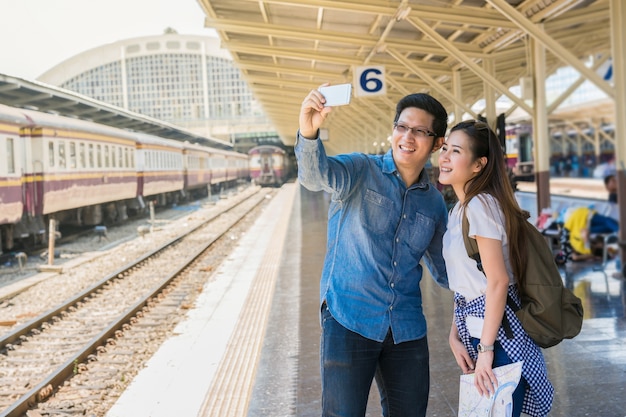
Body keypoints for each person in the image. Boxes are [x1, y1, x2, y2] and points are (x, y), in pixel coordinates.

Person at [296, 87, 449, 417]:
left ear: (437, 143)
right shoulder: (360, 170)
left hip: (405, 327)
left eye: (420, 131)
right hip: (349, 316)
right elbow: (313, 177)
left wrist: (497, 276)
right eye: (402, 127)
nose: (407, 137)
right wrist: (309, 132)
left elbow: (445, 269)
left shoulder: (434, 203)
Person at [438, 120, 553, 417]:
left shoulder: (480, 206)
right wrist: (455, 334)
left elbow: (498, 281)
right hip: (478, 331)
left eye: (456, 151)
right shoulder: (459, 209)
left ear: (479, 165)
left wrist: (486, 351)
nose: (445, 157)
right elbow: (468, 283)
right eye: (445, 149)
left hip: (498, 336)